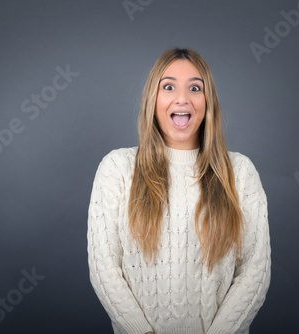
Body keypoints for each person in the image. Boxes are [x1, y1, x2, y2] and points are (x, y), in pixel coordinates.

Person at [87, 48, 270, 334]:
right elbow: (104, 267)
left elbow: (255, 270)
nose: (182, 98)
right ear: (153, 99)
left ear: (208, 101)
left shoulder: (240, 172)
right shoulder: (117, 169)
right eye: (168, 86)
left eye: (195, 88)